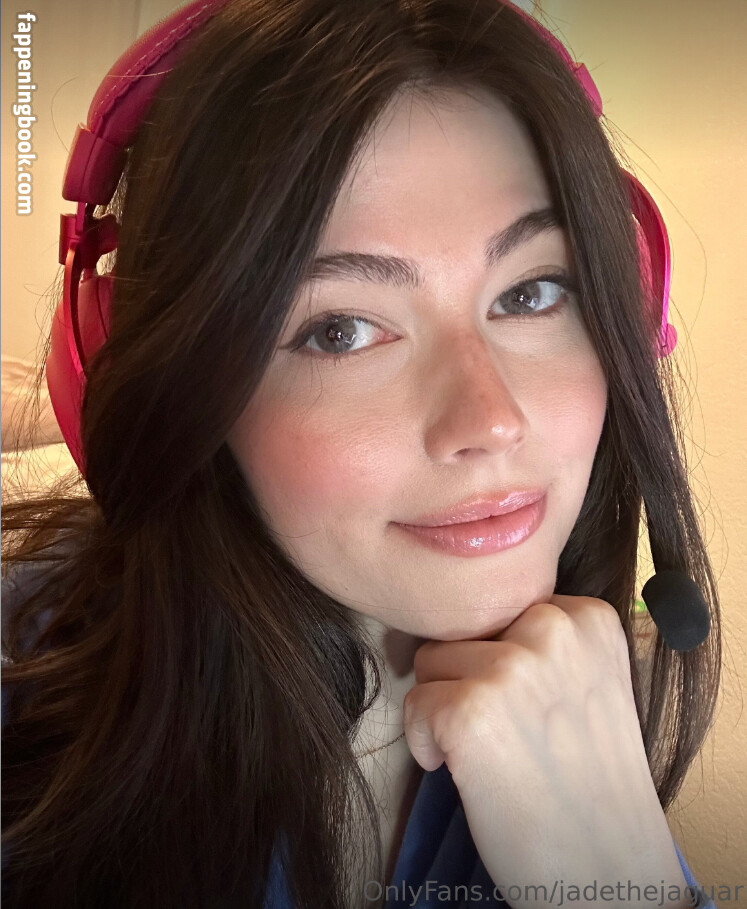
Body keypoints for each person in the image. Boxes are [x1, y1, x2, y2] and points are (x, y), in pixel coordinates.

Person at [1, 0, 722, 907]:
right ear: (184, 389)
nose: (491, 421)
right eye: (340, 329)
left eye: (533, 291)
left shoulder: (586, 702)